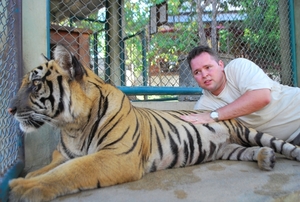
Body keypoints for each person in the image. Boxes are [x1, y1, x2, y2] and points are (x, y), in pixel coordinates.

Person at [180, 45, 300, 145]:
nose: (204, 74)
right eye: (197, 72)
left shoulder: (238, 67)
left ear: (221, 65)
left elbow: (262, 97)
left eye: (208, 67)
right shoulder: (204, 106)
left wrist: (214, 115)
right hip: (289, 143)